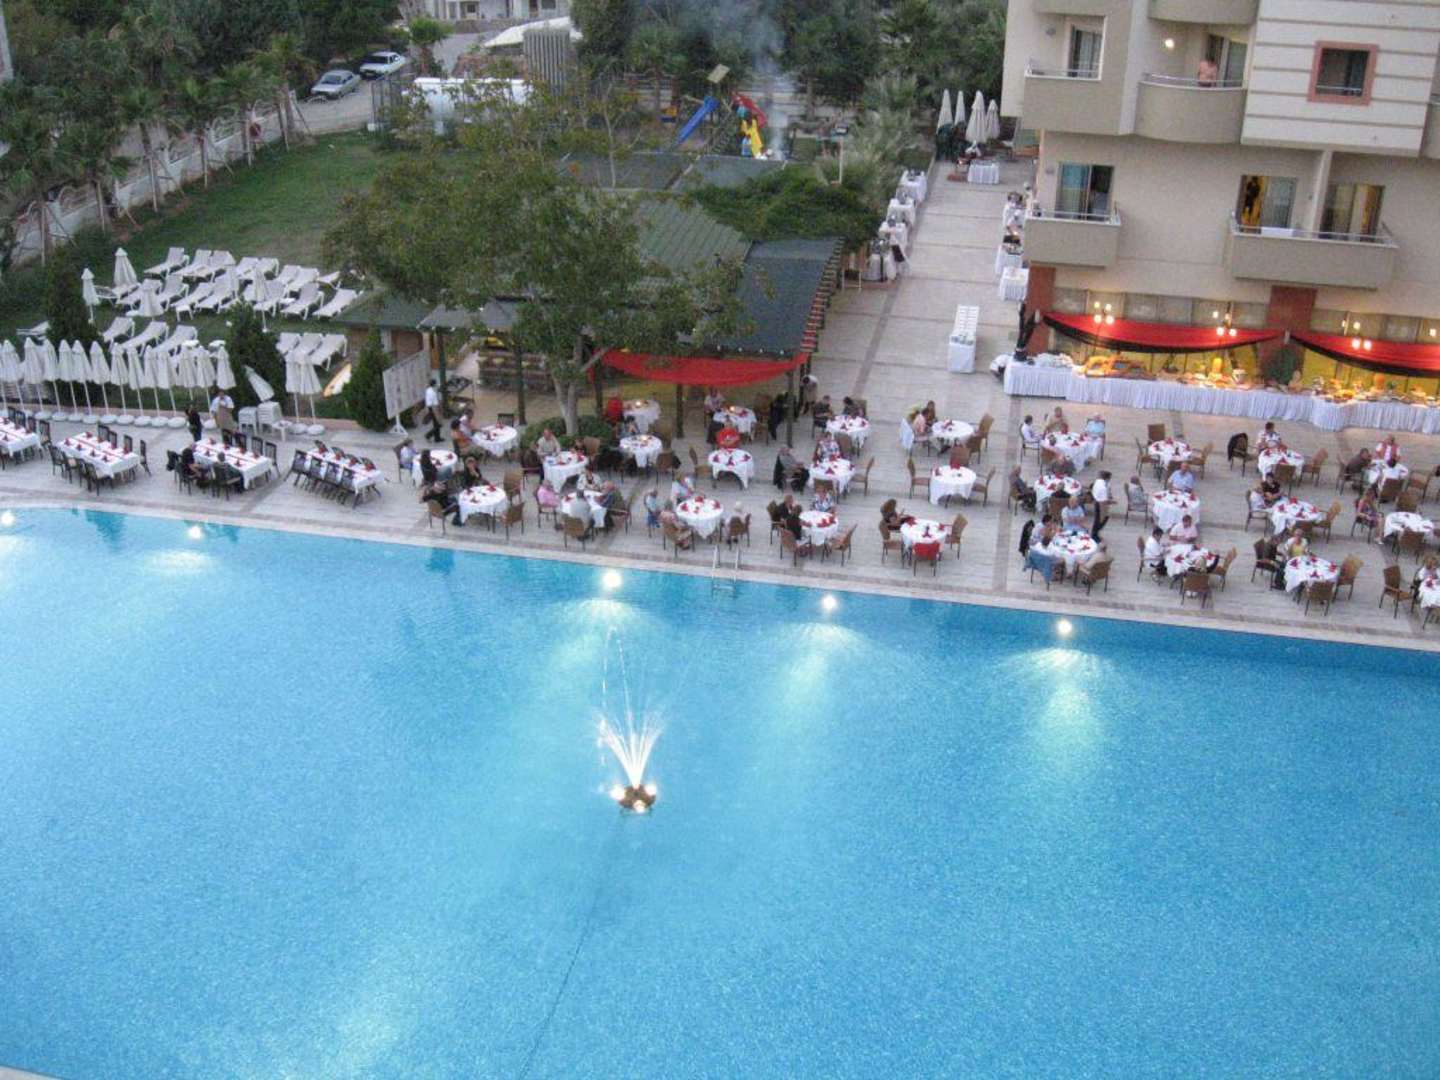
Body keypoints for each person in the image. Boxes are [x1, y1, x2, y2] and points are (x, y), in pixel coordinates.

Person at [1090, 470, 1112, 539]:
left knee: (1097, 519)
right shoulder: (1103, 488)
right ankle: (1095, 533)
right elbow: (1103, 502)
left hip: (1097, 500)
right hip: (1100, 503)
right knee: (1102, 518)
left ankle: (1095, 532)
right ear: (1107, 478)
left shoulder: (1098, 481)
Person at [423, 378, 443, 443]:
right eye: (436, 384)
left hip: (431, 408)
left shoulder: (429, 390)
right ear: (434, 384)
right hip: (433, 408)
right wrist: (437, 414)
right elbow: (434, 405)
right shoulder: (432, 392)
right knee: (438, 424)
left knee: (436, 424)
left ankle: (437, 438)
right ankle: (428, 435)